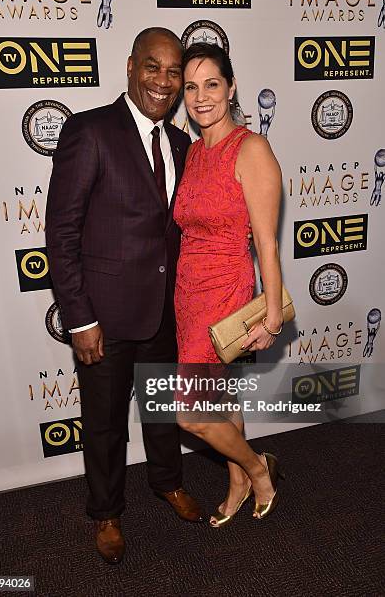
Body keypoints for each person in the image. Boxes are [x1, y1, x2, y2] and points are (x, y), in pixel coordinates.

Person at [45, 27, 203, 565]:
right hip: (104, 319)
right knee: (106, 423)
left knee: (161, 412)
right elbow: (62, 231)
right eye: (153, 67)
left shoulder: (181, 143)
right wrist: (79, 317)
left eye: (174, 71)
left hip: (163, 311)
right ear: (132, 66)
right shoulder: (89, 131)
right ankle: (106, 512)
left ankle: (168, 482)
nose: (164, 81)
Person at [174, 43, 285, 527]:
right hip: (187, 293)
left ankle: (258, 469)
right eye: (191, 87)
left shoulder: (252, 148)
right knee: (218, 401)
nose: (201, 98)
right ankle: (238, 478)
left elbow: (267, 243)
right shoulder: (195, 151)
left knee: (190, 416)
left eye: (212, 84)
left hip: (226, 292)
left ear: (231, 87)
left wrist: (273, 314)